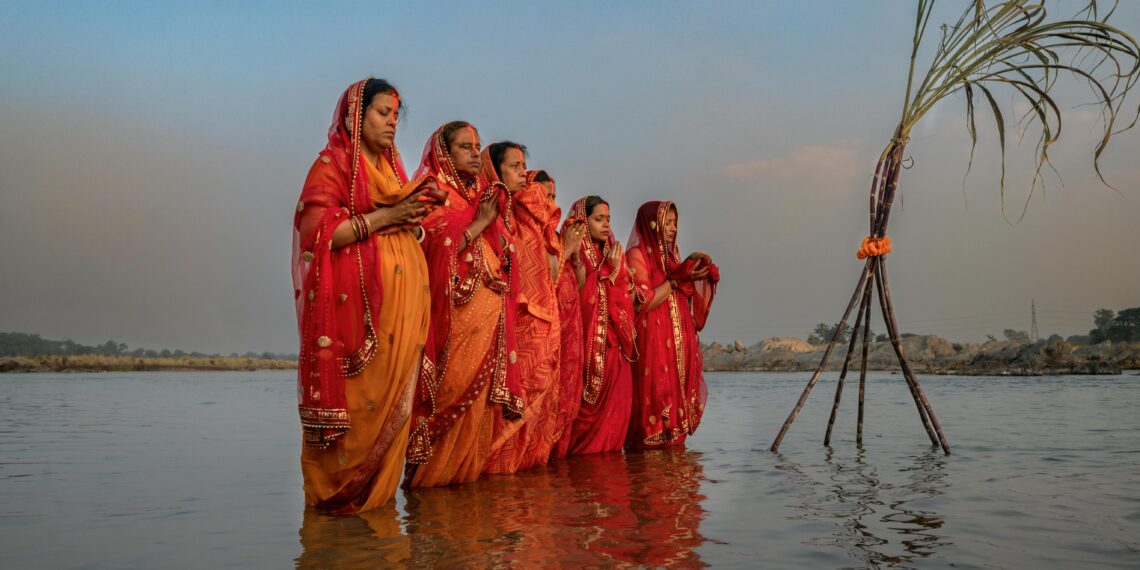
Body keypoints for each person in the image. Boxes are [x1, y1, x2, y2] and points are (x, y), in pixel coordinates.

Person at [292, 78, 432, 513]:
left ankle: (376, 539)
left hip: (401, 321)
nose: (391, 123)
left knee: (393, 418)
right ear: (356, 115)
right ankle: (338, 516)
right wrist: (388, 218)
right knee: (359, 417)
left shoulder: (393, 172)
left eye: (394, 115)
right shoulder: (331, 166)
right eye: (381, 113)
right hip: (360, 323)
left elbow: (406, 224)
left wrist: (412, 223)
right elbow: (318, 234)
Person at [404, 122, 525, 488]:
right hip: (453, 323)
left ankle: (463, 512)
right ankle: (429, 492)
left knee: (478, 412)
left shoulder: (482, 198)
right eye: (464, 147)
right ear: (445, 153)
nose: (475, 153)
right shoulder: (434, 196)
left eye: (477, 146)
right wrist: (478, 224)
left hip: (487, 325)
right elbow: (425, 253)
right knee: (449, 397)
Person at [482, 146, 565, 474]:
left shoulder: (527, 217)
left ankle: (523, 475)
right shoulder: (493, 215)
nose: (521, 173)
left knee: (537, 400)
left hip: (539, 323)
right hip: (511, 324)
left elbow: (549, 271)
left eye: (523, 166)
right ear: (496, 171)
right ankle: (497, 475)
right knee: (509, 404)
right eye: (513, 167)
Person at [625, 201, 719, 449]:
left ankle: (674, 477)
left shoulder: (671, 256)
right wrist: (675, 282)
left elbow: (683, 291)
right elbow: (641, 302)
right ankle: (649, 475)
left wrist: (694, 268)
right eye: (667, 222)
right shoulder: (637, 255)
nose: (672, 228)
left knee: (676, 418)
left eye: (675, 223)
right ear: (651, 223)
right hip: (653, 343)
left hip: (676, 345)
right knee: (655, 405)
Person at [564, 196, 637, 455]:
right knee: (585, 415)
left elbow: (625, 303)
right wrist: (611, 273)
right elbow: (576, 295)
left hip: (615, 350)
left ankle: (611, 484)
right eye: (599, 219)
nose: (606, 224)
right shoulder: (577, 252)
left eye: (608, 219)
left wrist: (616, 272)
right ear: (584, 221)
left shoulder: (611, 253)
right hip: (587, 345)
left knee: (615, 419)